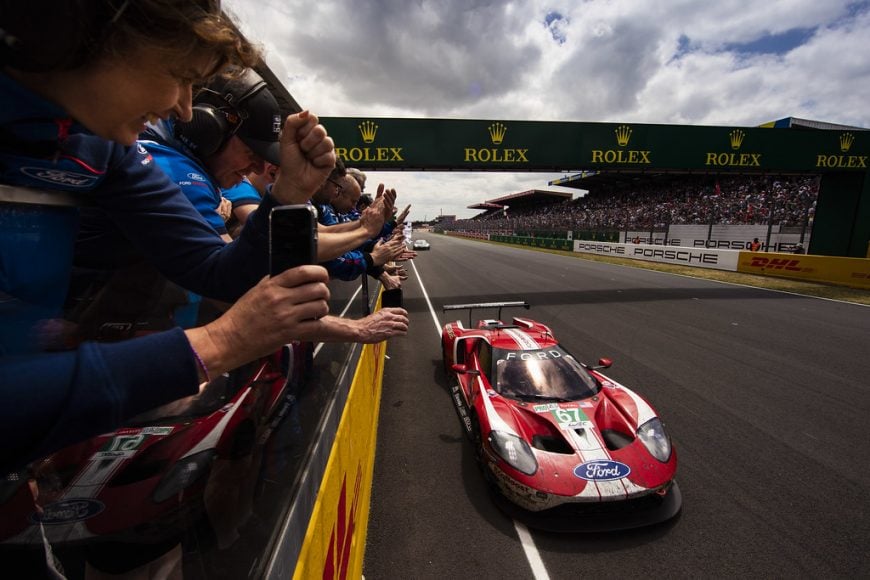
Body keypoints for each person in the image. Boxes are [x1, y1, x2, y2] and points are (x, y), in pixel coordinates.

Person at [0, 0, 408, 473]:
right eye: (182, 75)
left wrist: (290, 193)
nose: (184, 107)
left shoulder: (106, 151)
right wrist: (219, 342)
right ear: (82, 31)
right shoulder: (140, 152)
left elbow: (218, 272)